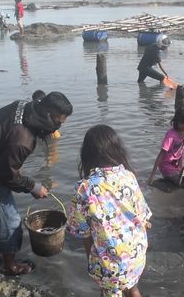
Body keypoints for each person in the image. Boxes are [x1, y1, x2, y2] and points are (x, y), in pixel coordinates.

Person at [0, 91, 72, 276]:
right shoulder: (23, 140)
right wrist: (33, 187)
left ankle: (2, 246)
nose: (58, 127)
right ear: (46, 115)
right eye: (58, 122)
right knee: (10, 221)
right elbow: (8, 175)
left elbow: (6, 157)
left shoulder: (24, 106)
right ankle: (10, 266)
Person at [67, 124, 152, 297]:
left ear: (87, 154)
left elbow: (81, 231)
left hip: (109, 266)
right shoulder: (129, 176)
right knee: (132, 287)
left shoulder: (84, 188)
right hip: (136, 257)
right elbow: (143, 216)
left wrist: (92, 260)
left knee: (109, 290)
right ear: (117, 149)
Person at [148, 106, 184, 186]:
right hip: (166, 165)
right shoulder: (171, 135)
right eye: (182, 123)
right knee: (179, 182)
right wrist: (152, 174)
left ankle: (180, 177)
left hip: (177, 162)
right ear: (176, 121)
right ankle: (172, 179)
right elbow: (161, 154)